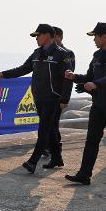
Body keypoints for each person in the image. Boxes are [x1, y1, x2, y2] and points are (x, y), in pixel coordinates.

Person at [0, 24, 73, 174]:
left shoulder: (62, 54)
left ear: (48, 35)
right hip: (39, 97)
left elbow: (68, 79)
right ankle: (57, 158)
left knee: (43, 129)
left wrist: (65, 99)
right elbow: (23, 68)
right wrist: (4, 74)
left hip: (52, 98)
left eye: (38, 35)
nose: (36, 38)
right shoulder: (36, 53)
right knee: (50, 129)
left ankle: (32, 161)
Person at [64, 22, 106, 185]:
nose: (93, 40)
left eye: (95, 36)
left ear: (104, 36)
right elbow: (90, 76)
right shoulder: (97, 55)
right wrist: (75, 77)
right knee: (92, 139)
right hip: (99, 104)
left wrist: (97, 84)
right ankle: (84, 174)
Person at [42, 27, 76, 162]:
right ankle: (49, 146)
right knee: (48, 122)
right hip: (47, 94)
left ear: (59, 37)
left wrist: (65, 97)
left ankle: (56, 148)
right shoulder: (46, 51)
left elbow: (69, 76)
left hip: (58, 94)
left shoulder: (68, 53)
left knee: (53, 122)